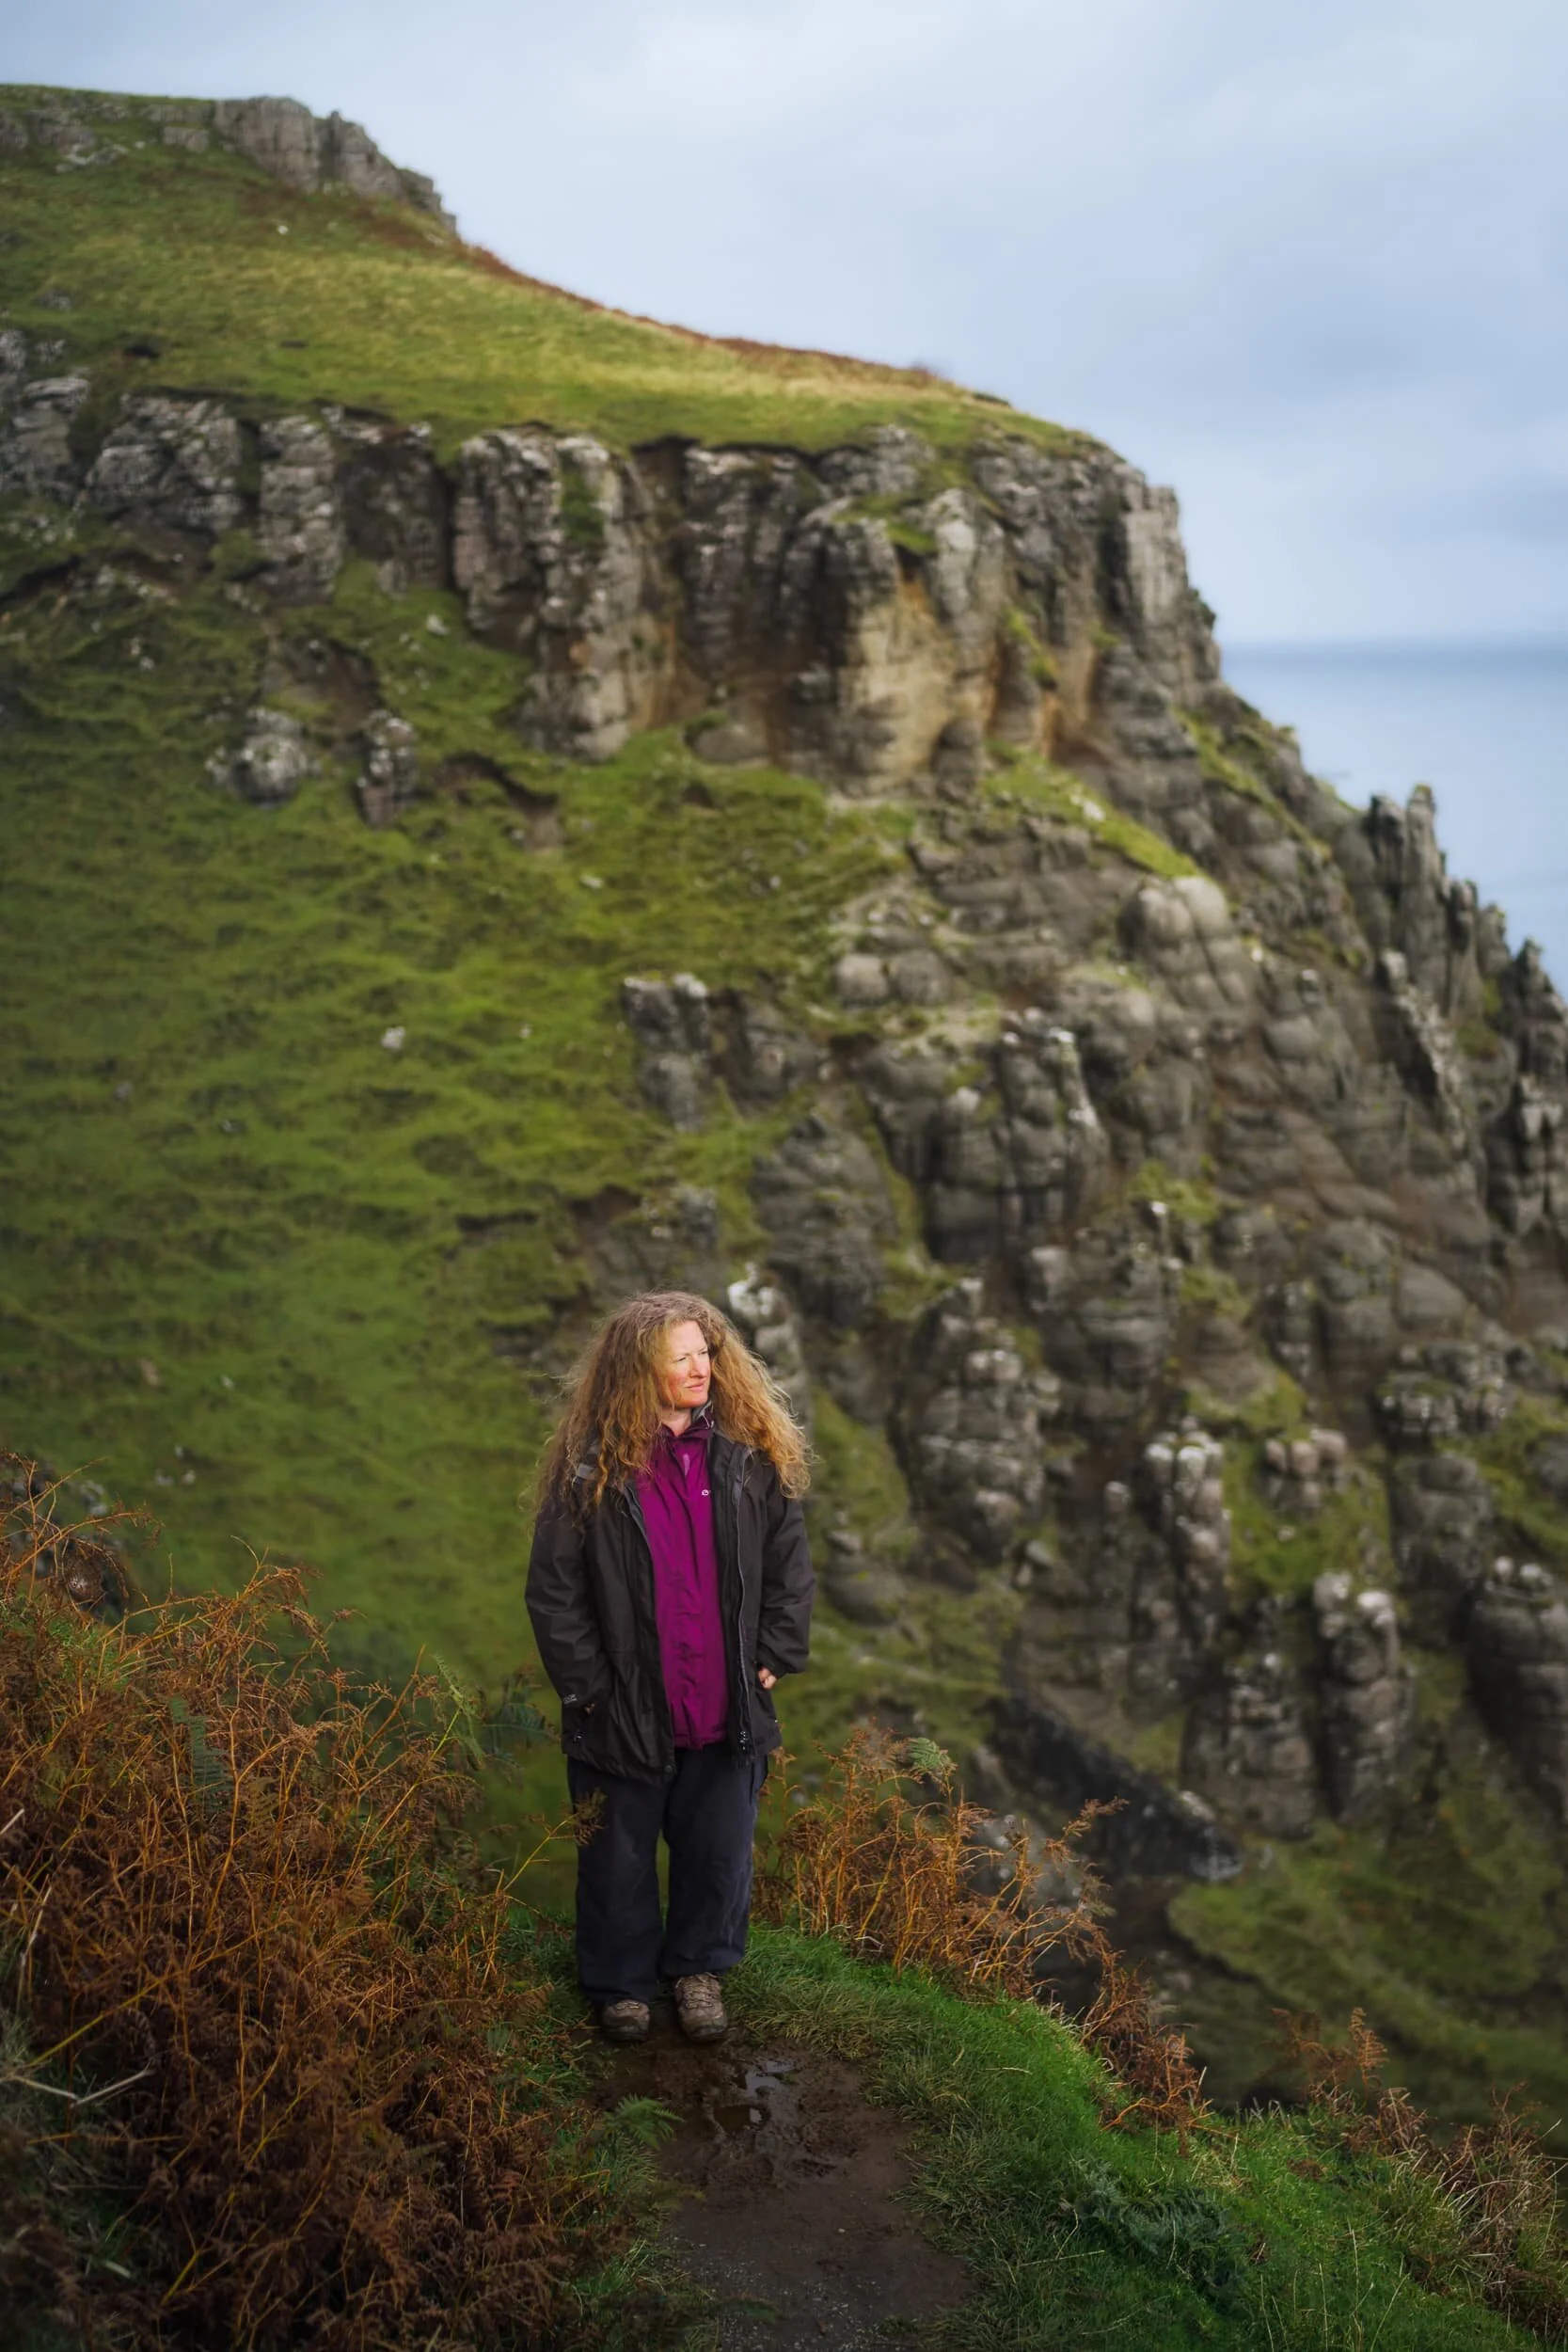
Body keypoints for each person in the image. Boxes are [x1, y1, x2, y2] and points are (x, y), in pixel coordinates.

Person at [527, 1289, 813, 2044]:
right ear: (636, 1371)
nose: (699, 1370)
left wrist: (777, 1651)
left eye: (705, 1354)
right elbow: (553, 1591)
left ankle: (697, 1973)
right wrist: (588, 1690)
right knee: (616, 1857)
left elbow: (788, 1560)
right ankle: (620, 1987)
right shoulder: (588, 1470)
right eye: (679, 1357)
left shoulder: (747, 1457)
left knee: (717, 1849)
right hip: (623, 1707)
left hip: (725, 1704)